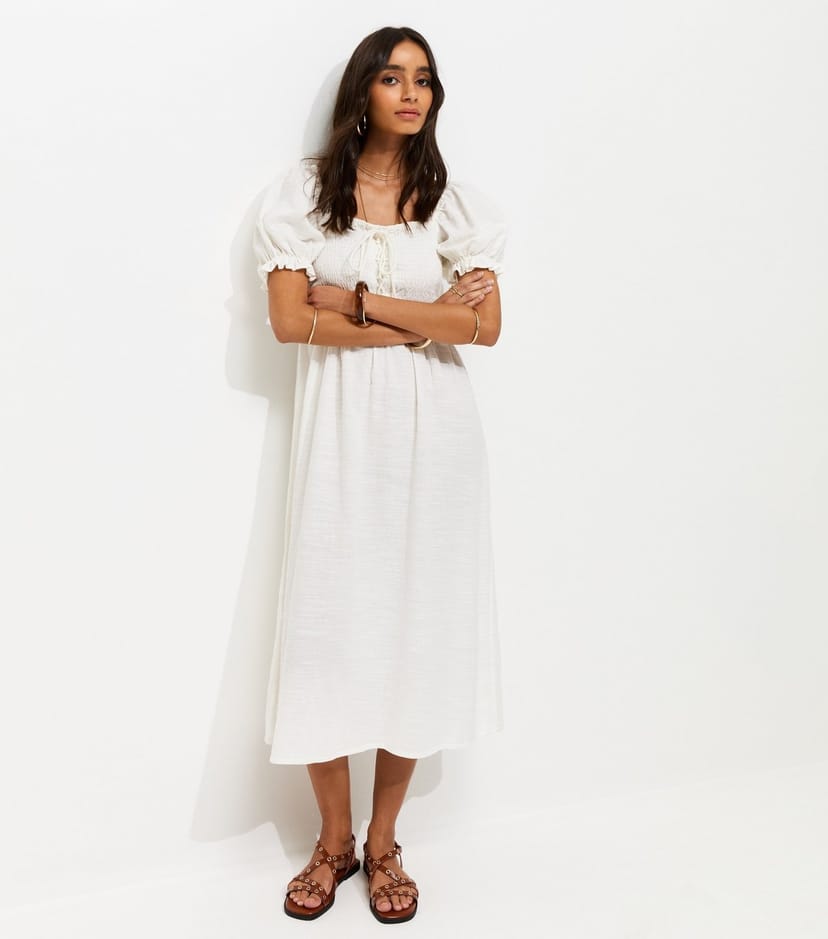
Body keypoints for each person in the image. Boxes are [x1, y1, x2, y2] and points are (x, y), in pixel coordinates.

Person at [252, 25, 505, 924]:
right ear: (362, 89)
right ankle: (334, 838)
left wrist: (356, 300)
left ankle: (385, 839)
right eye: (393, 77)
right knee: (326, 628)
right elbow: (290, 322)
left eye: (424, 80)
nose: (411, 93)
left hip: (436, 437)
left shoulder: (452, 206)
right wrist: (428, 316)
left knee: (415, 628)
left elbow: (485, 328)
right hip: (339, 435)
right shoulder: (304, 197)